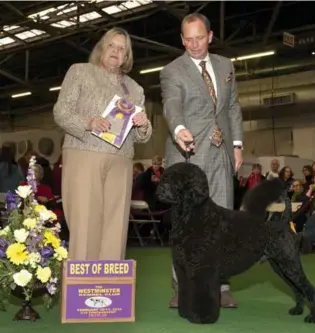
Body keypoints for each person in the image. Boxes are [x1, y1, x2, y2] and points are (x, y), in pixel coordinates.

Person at [160, 13, 243, 309]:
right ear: (182, 40)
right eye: (188, 39)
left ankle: (220, 287)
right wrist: (179, 129)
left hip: (222, 153)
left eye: (199, 38)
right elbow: (171, 104)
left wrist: (236, 144)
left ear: (210, 36)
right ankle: (183, 287)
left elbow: (232, 106)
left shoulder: (225, 66)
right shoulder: (173, 71)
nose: (194, 45)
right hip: (188, 152)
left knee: (221, 221)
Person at [53, 27, 152, 261]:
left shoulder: (135, 89)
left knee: (115, 228)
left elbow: (141, 136)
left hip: (122, 160)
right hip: (84, 153)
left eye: (122, 49)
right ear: (101, 48)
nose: (116, 52)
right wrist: (88, 122)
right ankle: (81, 294)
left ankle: (110, 292)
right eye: (112, 46)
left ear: (127, 57)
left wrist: (144, 125)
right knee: (86, 225)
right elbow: (61, 111)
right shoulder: (79, 72)